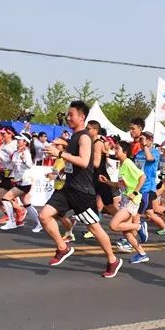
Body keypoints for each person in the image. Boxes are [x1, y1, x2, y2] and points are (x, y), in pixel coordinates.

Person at [40, 100, 123, 278]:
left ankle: (112, 260)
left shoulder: (84, 137)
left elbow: (85, 162)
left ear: (82, 117)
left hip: (82, 192)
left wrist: (60, 154)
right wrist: (61, 169)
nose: (68, 118)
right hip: (67, 188)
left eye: (71, 115)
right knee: (44, 216)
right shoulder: (73, 138)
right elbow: (73, 162)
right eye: (68, 115)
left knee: (94, 228)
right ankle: (63, 248)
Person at [99, 141, 150, 264]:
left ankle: (139, 226)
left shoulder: (128, 163)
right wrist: (107, 182)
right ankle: (142, 254)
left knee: (113, 225)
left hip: (131, 201)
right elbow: (120, 185)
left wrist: (136, 192)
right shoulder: (122, 165)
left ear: (125, 152)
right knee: (127, 233)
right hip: (125, 199)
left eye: (118, 149)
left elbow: (142, 177)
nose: (115, 150)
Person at [0, 133, 41, 232]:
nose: (18, 141)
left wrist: (23, 159)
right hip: (18, 181)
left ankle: (12, 222)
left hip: (25, 182)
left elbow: (29, 166)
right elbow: (11, 165)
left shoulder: (26, 153)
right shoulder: (16, 152)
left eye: (20, 140)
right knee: (27, 204)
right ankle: (40, 223)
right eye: (17, 140)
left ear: (25, 142)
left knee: (5, 198)